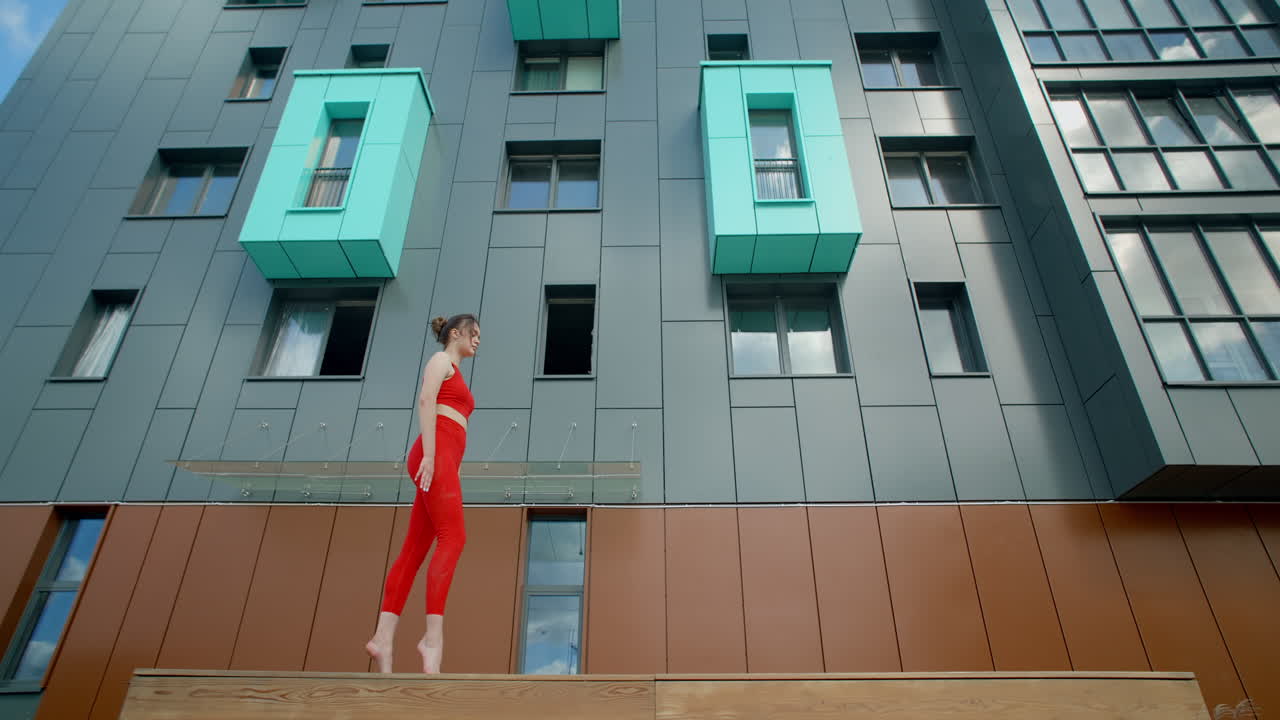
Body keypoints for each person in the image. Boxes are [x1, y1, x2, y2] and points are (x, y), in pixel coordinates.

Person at [366, 313, 479, 674]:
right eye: (473, 334)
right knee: (454, 537)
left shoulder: (456, 370)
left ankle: (383, 638)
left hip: (445, 459)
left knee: (414, 550)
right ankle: (432, 639)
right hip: (434, 454)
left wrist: (451, 468)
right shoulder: (441, 360)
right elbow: (426, 401)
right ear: (456, 334)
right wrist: (430, 456)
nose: (478, 340)